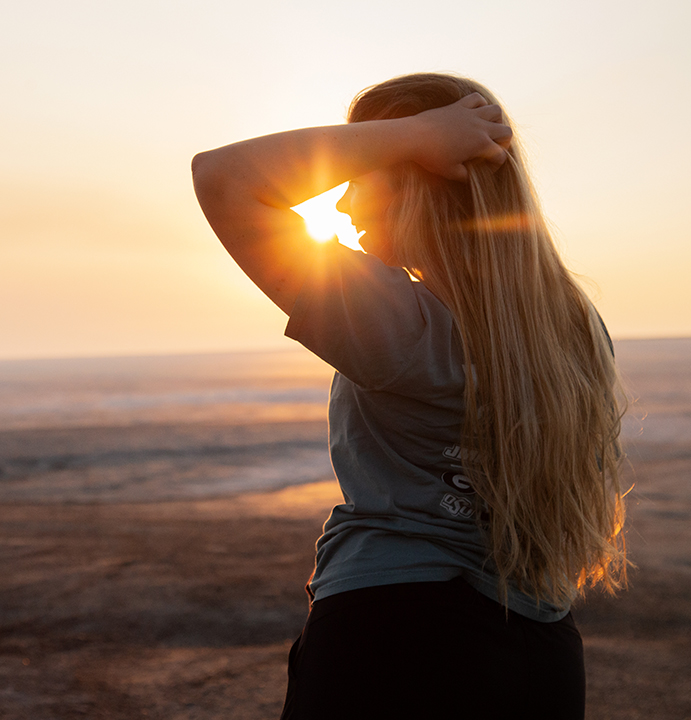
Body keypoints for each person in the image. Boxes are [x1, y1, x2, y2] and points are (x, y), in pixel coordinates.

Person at [191, 73, 628, 720]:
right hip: (543, 651)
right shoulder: (574, 325)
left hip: (391, 638)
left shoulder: (401, 322)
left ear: (419, 173)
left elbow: (222, 179)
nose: (338, 206)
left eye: (363, 166)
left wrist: (413, 135)